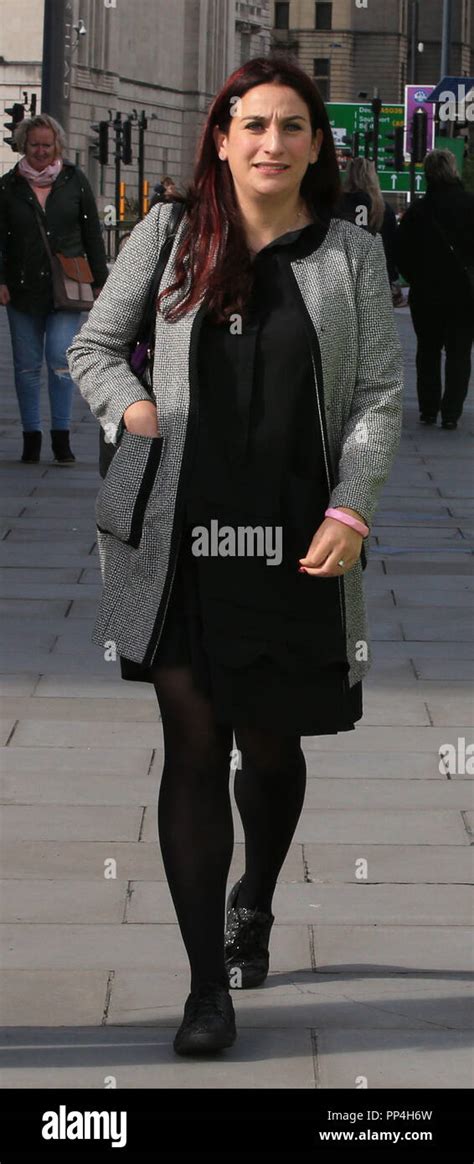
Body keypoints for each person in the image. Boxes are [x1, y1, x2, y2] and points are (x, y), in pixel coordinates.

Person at [67, 54, 403, 1057]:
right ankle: (205, 988)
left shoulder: (350, 256)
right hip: (181, 538)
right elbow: (92, 344)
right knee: (195, 750)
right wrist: (128, 406)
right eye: (253, 125)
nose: (271, 143)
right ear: (221, 137)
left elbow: (380, 397)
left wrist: (351, 510)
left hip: (295, 544)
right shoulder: (169, 236)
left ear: (314, 146)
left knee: (272, 747)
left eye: (292, 127)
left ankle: (253, 898)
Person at [0, 114, 108, 463]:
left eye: (47, 145)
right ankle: (31, 436)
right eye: (35, 145)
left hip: (69, 287)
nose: (41, 151)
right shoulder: (8, 186)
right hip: (21, 287)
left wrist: (102, 282)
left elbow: (92, 234)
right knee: (26, 366)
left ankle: (61, 437)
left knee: (61, 358)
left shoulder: (74, 181)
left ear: (57, 145)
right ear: (23, 145)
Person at [396, 149, 474, 428]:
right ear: (453, 170)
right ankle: (451, 413)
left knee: (427, 351)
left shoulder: (418, 211)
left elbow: (401, 252)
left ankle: (428, 409)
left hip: (427, 293)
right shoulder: (469, 205)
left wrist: (416, 277)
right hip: (464, 295)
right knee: (459, 353)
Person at [341, 157, 402, 301]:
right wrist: (392, 278)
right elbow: (390, 247)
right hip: (375, 279)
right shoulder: (382, 208)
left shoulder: (337, 204)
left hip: (343, 277)